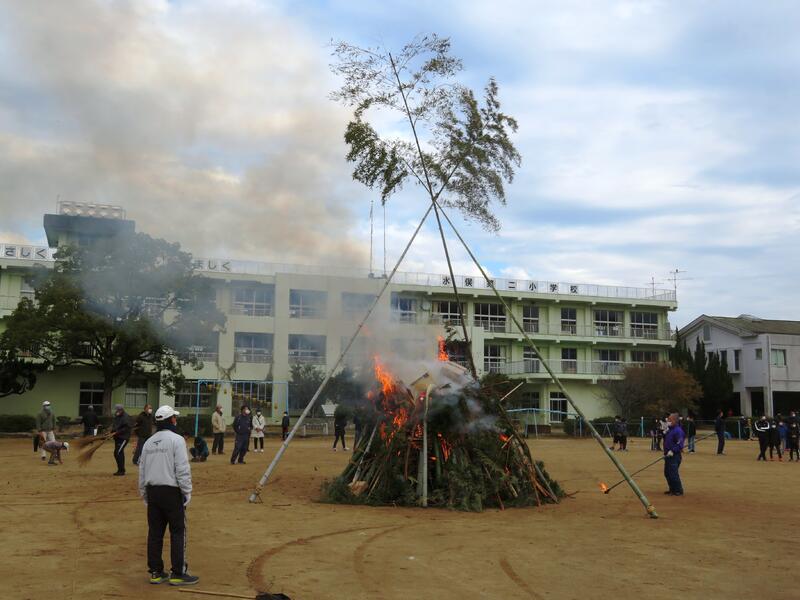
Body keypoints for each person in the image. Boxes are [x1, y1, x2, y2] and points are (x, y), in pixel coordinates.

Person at [138, 405, 197, 586]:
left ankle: (156, 572)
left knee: (155, 533)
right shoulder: (177, 440)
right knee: (178, 532)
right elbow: (182, 469)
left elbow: (142, 471)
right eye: (174, 417)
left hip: (153, 492)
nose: (175, 420)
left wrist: (144, 494)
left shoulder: (148, 443)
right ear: (171, 420)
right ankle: (178, 572)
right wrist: (187, 491)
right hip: (172, 492)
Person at [663, 412, 685, 496]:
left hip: (674, 455)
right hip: (667, 455)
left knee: (673, 473)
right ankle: (672, 489)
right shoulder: (670, 430)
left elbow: (680, 444)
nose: (668, 421)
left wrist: (673, 450)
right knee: (667, 473)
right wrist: (664, 432)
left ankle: (678, 490)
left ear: (674, 420)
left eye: (669, 419)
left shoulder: (678, 431)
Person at [110, 404, 132, 476]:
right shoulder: (117, 416)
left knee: (118, 453)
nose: (116, 411)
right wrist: (111, 432)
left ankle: (121, 470)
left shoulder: (126, 417)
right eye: (116, 410)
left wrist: (117, 432)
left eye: (118, 410)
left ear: (121, 410)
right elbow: (115, 426)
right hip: (117, 437)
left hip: (123, 437)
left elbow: (126, 428)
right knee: (119, 453)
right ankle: (120, 470)